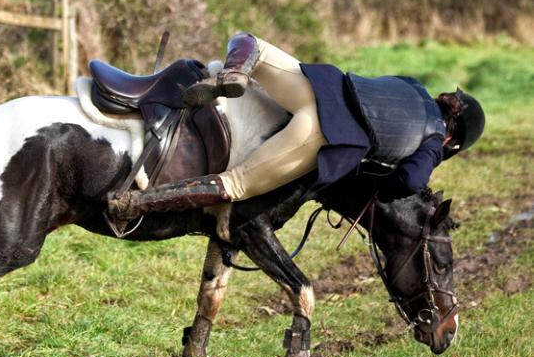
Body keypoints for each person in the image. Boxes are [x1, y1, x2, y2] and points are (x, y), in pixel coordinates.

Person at [108, 33, 485, 220]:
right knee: (236, 184)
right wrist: (380, 186)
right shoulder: (435, 141)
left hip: (319, 85)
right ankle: (137, 203)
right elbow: (409, 182)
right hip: (324, 131)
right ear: (453, 139)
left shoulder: (413, 86)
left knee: (249, 41)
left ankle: (235, 72)